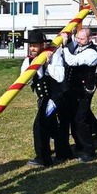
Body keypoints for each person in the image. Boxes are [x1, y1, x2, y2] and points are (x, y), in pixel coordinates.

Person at [20, 29, 70, 167]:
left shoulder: (54, 55)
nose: (32, 48)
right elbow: (25, 78)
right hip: (44, 98)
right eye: (30, 45)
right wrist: (34, 64)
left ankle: (44, 158)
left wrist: (47, 63)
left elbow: (60, 77)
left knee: (40, 125)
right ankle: (63, 152)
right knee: (52, 127)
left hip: (56, 97)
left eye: (35, 45)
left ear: (43, 45)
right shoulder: (28, 60)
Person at [61, 27, 97, 162]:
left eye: (82, 39)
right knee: (73, 118)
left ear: (90, 38)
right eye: (78, 38)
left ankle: (89, 150)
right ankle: (80, 145)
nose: (79, 41)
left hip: (84, 92)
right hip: (74, 90)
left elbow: (72, 61)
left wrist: (65, 46)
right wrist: (69, 39)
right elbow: (73, 48)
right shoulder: (80, 46)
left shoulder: (91, 53)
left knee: (80, 120)